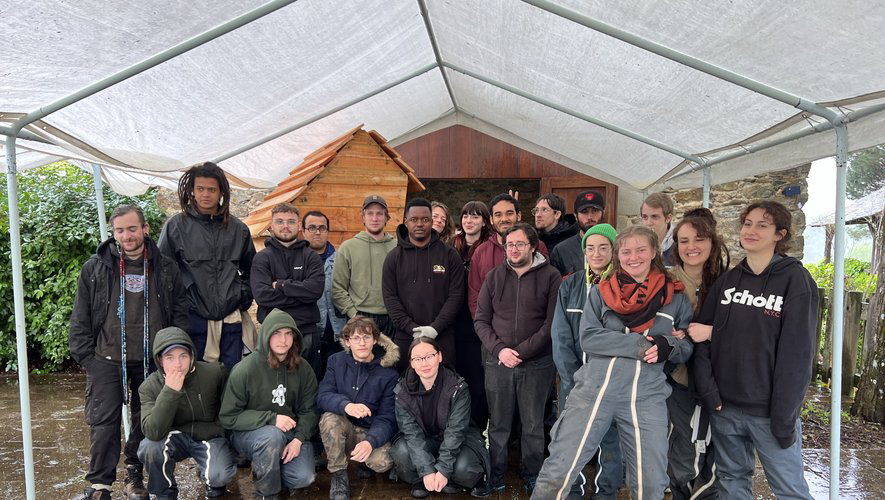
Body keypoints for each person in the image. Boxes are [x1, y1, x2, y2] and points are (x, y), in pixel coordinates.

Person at [532, 225, 694, 500]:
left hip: (646, 395)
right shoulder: (602, 292)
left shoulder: (675, 297)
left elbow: (686, 345)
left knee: (650, 482)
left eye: (641, 250)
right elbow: (590, 338)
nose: (634, 257)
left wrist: (671, 346)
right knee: (559, 468)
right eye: (627, 251)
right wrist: (643, 345)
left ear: (654, 251)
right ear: (619, 255)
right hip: (594, 390)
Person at [690, 201, 818, 499]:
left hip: (769, 412)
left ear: (779, 234)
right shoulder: (729, 282)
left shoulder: (795, 281)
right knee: (732, 482)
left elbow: (797, 356)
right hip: (726, 408)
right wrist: (710, 394)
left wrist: (784, 415)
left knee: (790, 490)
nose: (751, 230)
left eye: (762, 224)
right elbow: (700, 337)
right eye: (747, 223)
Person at [69, 204, 188, 500]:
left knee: (143, 420)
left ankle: (134, 475)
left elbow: (181, 313)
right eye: (120, 230)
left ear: (145, 229)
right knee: (103, 421)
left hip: (150, 360)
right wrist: (88, 359)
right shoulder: (95, 267)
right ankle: (100, 484)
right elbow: (80, 316)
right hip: (106, 359)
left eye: (132, 229)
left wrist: (172, 355)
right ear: (114, 233)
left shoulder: (165, 267)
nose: (127, 235)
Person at [474, 223, 561, 494]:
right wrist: (500, 350)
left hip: (537, 363)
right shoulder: (494, 276)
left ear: (533, 246)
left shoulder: (551, 276)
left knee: (533, 423)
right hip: (498, 361)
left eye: (519, 244)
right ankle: (496, 472)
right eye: (509, 245)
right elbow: (481, 320)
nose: (513, 249)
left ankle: (533, 473)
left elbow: (552, 323)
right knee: (498, 423)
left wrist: (522, 352)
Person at [158, 161, 257, 368]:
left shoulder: (238, 230)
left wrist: (242, 297)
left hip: (231, 320)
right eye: (200, 189)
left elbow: (253, 270)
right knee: (198, 380)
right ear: (192, 191)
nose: (206, 194)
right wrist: (181, 306)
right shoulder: (175, 227)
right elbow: (162, 273)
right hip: (193, 320)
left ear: (221, 192)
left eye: (212, 189)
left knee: (232, 378)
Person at [550, 223, 621, 500]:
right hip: (576, 380)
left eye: (603, 247)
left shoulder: (622, 286)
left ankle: (607, 492)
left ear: (613, 250)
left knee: (610, 438)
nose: (596, 253)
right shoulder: (570, 284)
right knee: (572, 437)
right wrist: (572, 377)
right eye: (590, 248)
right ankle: (574, 491)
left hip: (611, 379)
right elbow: (561, 335)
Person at [219, 309, 319, 499]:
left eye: (288, 333)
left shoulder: (303, 368)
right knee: (271, 437)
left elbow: (310, 410)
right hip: (251, 434)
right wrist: (272, 418)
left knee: (303, 477)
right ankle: (267, 494)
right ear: (265, 336)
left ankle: (266, 466)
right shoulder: (245, 370)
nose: (283, 340)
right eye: (276, 333)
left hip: (290, 435)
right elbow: (228, 416)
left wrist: (299, 439)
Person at [665, 209, 728, 499]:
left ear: (712, 242)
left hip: (721, 380)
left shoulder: (728, 283)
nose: (691, 247)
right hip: (680, 380)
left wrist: (710, 332)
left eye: (699, 239)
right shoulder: (666, 281)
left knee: (717, 451)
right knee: (685, 448)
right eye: (683, 240)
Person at [137, 327, 235, 500]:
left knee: (218, 475)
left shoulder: (215, 373)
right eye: (170, 358)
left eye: (183, 356)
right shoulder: (149, 387)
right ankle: (164, 492)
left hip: (209, 435)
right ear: (160, 361)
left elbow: (229, 408)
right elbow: (152, 432)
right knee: (149, 447)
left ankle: (212, 480)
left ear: (191, 356)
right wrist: (170, 392)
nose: (178, 364)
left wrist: (219, 430)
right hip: (175, 437)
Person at [391, 337, 491, 499]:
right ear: (411, 363)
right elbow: (411, 433)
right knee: (401, 452)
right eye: (418, 359)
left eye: (429, 356)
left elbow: (456, 431)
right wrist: (427, 470)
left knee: (465, 470)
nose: (424, 363)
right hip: (425, 440)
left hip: (459, 442)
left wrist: (443, 469)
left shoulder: (457, 387)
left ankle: (447, 476)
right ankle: (423, 477)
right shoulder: (402, 391)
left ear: (440, 356)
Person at [318, 316, 400, 500]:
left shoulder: (388, 373)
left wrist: (371, 441)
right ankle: (339, 475)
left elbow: (388, 417)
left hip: (370, 431)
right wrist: (346, 405)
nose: (362, 343)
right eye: (356, 338)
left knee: (381, 462)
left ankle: (365, 462)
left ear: (375, 340)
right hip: (344, 427)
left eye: (367, 337)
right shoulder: (335, 361)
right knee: (329, 419)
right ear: (347, 341)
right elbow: (323, 396)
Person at [382, 198, 465, 372]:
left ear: (432, 222)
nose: (419, 224)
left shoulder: (450, 255)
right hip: (406, 338)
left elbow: (456, 296)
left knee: (444, 388)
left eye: (425, 219)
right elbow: (390, 298)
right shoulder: (393, 258)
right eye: (414, 219)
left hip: (442, 336)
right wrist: (411, 328)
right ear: (406, 222)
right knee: (407, 388)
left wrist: (435, 328)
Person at [250, 202, 325, 376]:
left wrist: (282, 285)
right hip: (273, 334)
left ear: (299, 226)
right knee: (274, 386)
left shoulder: (311, 257)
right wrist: (301, 295)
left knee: (308, 384)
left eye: (291, 222)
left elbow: (315, 291)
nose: (285, 226)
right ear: (271, 226)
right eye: (280, 221)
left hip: (306, 333)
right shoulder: (262, 258)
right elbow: (262, 296)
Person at [468, 193, 548, 317]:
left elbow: (546, 290)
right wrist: (485, 330)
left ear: (519, 215)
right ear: (491, 219)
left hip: (531, 328)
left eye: (509, 213)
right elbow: (474, 295)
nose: (504, 219)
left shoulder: (537, 246)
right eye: (498, 214)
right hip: (489, 332)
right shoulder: (480, 252)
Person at [451, 201, 494, 430]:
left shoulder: (488, 248)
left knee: (477, 378)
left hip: (477, 322)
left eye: (475, 217)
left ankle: (477, 427)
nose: (469, 221)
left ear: (485, 221)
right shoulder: (453, 246)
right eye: (466, 216)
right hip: (454, 320)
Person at [331, 195, 397, 338]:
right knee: (362, 360)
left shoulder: (397, 247)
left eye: (379, 213)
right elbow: (337, 288)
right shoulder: (348, 248)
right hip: (360, 317)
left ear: (387, 218)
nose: (375, 218)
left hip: (393, 317)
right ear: (363, 217)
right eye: (370, 213)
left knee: (392, 360)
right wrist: (353, 315)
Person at [301, 210, 348, 375]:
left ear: (328, 231)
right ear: (303, 231)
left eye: (322, 228)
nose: (318, 232)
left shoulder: (341, 259)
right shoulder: (297, 261)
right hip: (309, 333)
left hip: (339, 333)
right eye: (312, 228)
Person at [550, 190, 606, 276]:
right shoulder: (561, 251)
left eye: (595, 211)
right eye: (584, 212)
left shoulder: (616, 246)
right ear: (576, 216)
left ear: (603, 213)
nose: (590, 217)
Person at [640, 192, 676, 266]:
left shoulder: (680, 242)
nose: (648, 223)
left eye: (654, 217)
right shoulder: (637, 242)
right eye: (645, 217)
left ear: (668, 218)